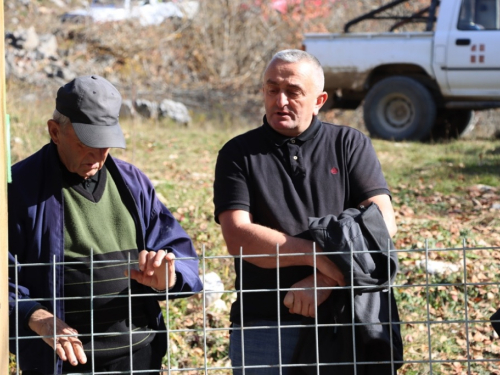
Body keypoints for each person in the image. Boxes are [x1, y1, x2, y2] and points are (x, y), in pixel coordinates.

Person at [213, 49, 398, 374]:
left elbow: (382, 222)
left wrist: (326, 279)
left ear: (319, 99)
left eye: (293, 92)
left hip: (346, 319)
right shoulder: (238, 153)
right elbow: (238, 236)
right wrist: (318, 256)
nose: (280, 101)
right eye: (272, 90)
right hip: (266, 325)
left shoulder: (349, 144)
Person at [8, 75, 203, 374]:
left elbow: (179, 249)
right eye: (87, 143)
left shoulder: (132, 182)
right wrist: (34, 315)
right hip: (60, 363)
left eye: (106, 145)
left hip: (138, 356)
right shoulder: (19, 188)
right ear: (54, 131)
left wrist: (171, 276)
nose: (98, 156)